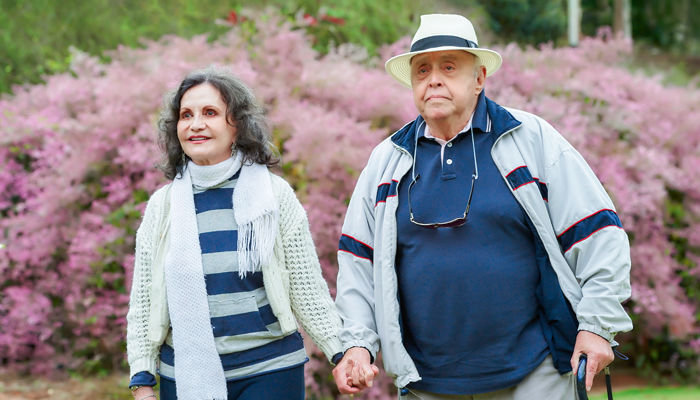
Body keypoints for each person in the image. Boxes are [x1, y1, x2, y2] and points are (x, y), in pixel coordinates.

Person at [332, 14, 632, 400]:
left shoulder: (531, 140)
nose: (433, 79)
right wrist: (357, 343)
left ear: (479, 79)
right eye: (422, 70)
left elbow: (598, 234)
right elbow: (359, 262)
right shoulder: (386, 160)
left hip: (535, 373)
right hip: (427, 381)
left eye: (449, 67)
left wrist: (596, 326)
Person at [126, 66, 343, 400]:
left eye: (210, 113)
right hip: (184, 373)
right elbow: (144, 299)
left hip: (270, 370)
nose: (196, 124)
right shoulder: (163, 206)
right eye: (186, 115)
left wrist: (341, 352)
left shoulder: (274, 195)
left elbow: (306, 286)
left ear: (237, 124)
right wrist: (142, 378)